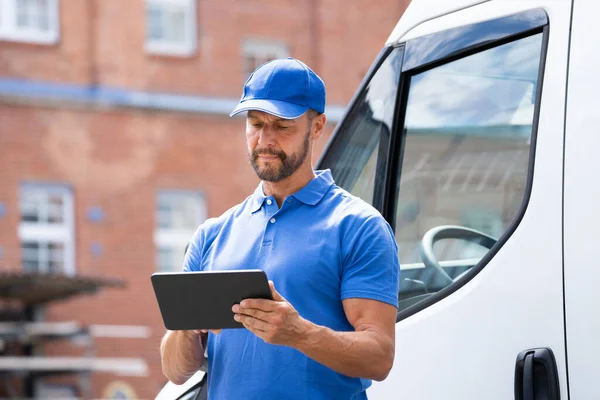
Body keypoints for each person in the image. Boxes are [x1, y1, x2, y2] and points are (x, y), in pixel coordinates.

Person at [160, 57, 400, 399]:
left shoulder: (358, 227)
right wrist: (187, 332)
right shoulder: (213, 235)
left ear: (316, 127)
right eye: (255, 123)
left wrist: (298, 333)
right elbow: (174, 370)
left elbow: (380, 356)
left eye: (282, 125)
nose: (265, 139)